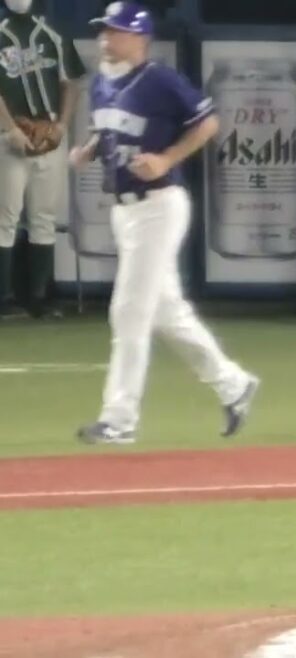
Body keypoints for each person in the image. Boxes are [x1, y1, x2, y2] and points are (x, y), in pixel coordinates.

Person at [70, 2, 259, 445]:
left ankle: (120, 420)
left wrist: (167, 158)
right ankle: (234, 383)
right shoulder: (101, 82)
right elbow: (108, 130)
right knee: (168, 312)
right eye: (104, 31)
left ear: (140, 38)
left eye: (115, 31)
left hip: (158, 206)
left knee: (129, 311)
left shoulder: (159, 80)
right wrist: (89, 149)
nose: (105, 39)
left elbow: (207, 122)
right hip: (125, 211)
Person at [0, 0, 86, 318]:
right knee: (5, 218)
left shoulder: (53, 31)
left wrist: (62, 125)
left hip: (48, 133)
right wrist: (10, 128)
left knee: (44, 217)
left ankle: (39, 297)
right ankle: (4, 298)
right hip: (8, 137)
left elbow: (72, 82)